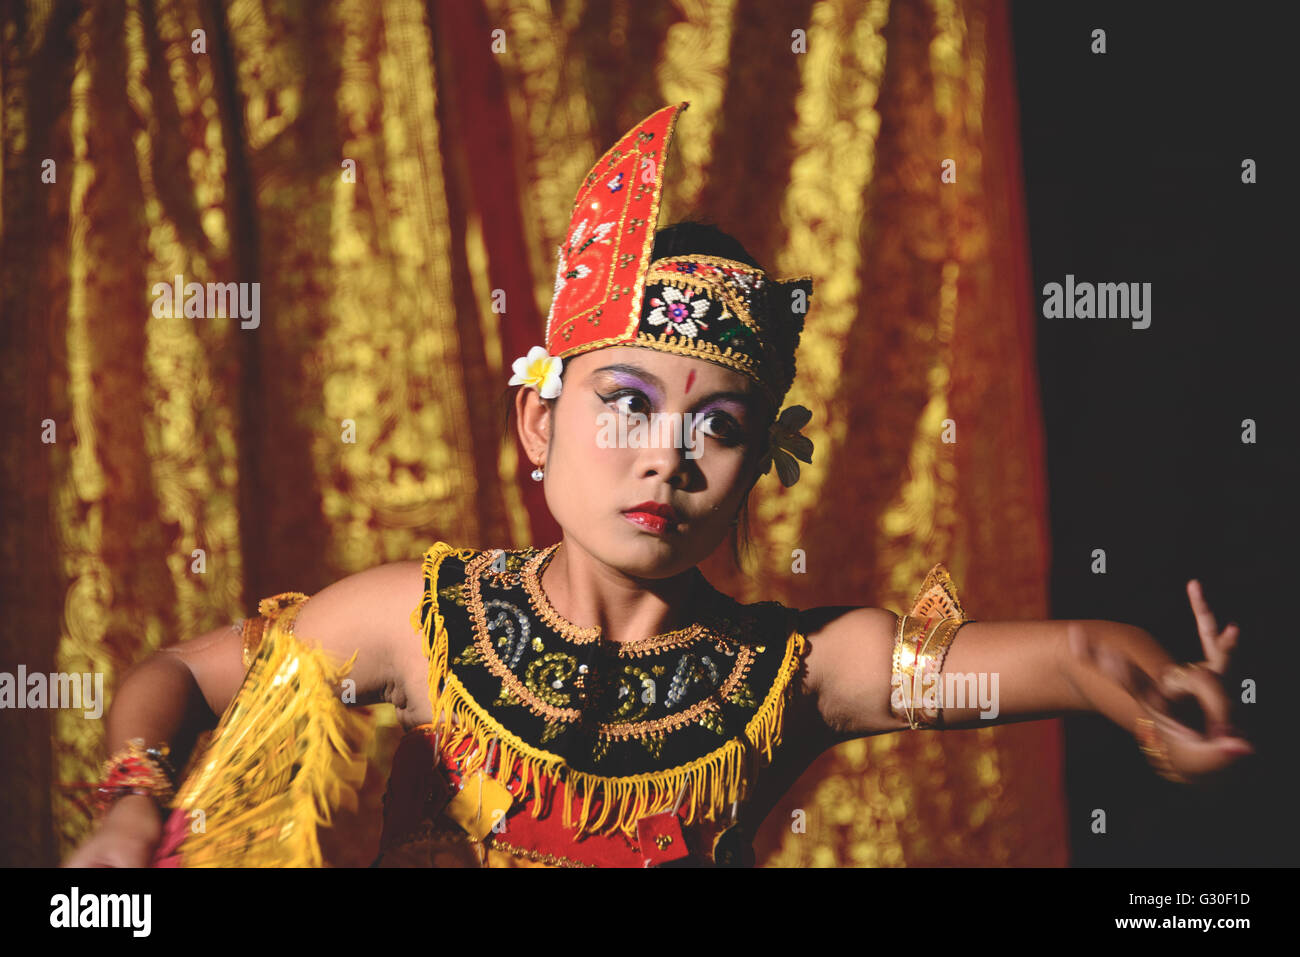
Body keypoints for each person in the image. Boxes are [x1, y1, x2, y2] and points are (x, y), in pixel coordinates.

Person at [64, 102, 1253, 869]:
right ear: (540, 422)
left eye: (715, 426)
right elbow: (172, 673)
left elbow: (1067, 656)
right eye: (625, 401)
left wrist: (1152, 701)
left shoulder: (793, 674)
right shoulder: (422, 625)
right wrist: (130, 803)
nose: (664, 455)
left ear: (750, 474)